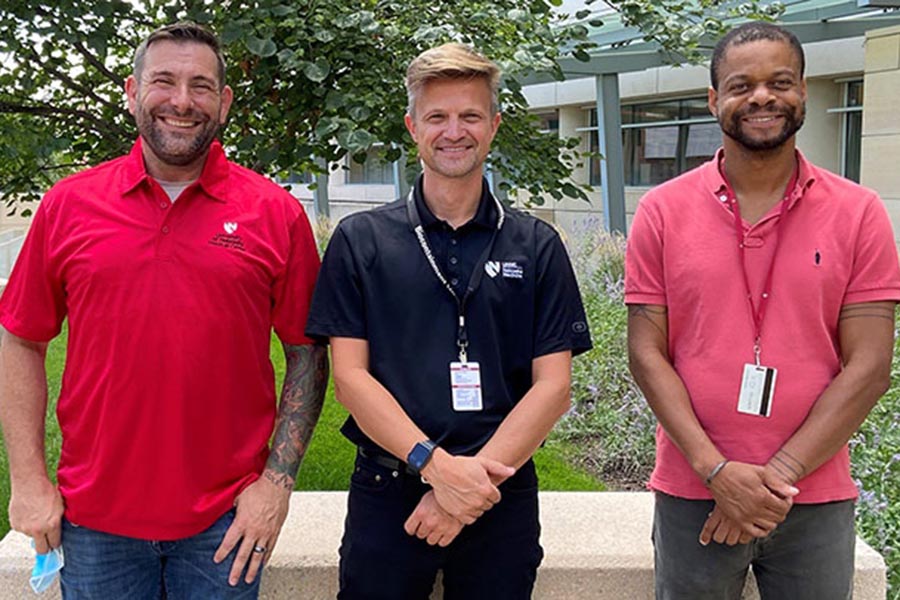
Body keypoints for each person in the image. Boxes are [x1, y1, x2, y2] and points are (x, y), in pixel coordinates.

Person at [0, 22, 328, 598]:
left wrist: (276, 484)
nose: (182, 101)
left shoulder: (274, 213)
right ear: (132, 92)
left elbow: (308, 350)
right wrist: (28, 478)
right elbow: (21, 339)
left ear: (223, 103)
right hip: (94, 521)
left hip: (226, 524)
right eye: (164, 82)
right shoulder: (68, 205)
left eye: (201, 86)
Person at [305, 42, 592, 599]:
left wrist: (469, 487)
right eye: (437, 116)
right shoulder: (361, 241)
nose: (453, 131)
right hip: (390, 489)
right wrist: (435, 468)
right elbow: (350, 379)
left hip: (501, 493)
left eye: (470, 115)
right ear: (413, 127)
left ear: (494, 126)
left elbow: (554, 387)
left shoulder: (536, 244)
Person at [625, 21, 900, 599]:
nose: (761, 97)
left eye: (780, 81)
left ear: (803, 90)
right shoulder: (662, 211)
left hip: (814, 495)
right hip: (692, 491)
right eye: (740, 84)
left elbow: (870, 366)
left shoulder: (859, 212)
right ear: (713, 99)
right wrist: (717, 473)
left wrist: (771, 480)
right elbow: (647, 353)